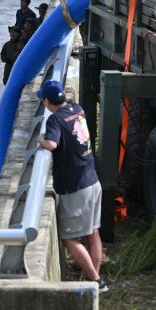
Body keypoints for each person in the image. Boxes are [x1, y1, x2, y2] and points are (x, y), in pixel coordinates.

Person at [37, 80, 106, 292]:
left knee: (68, 238)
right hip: (92, 180)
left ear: (48, 101)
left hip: (76, 188)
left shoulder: (54, 120)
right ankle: (94, 281)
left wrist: (40, 138)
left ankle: (96, 282)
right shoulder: (77, 109)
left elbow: (51, 144)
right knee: (93, 232)